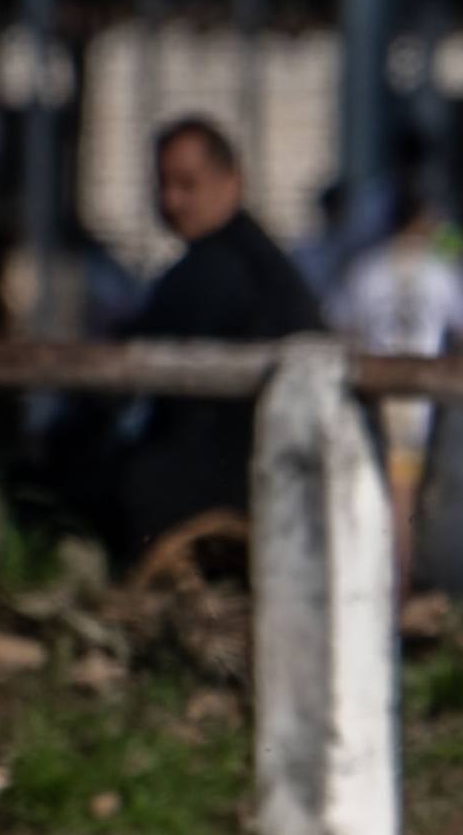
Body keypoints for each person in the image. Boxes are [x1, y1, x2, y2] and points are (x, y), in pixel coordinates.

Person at [109, 116, 324, 559]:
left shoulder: (215, 271)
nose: (172, 200)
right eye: (164, 184)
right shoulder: (250, 260)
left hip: (215, 504)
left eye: (188, 184)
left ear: (233, 181)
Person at [325, 185, 463, 588]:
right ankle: (398, 590)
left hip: (378, 396)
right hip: (424, 397)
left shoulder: (367, 268)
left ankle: (386, 585)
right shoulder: (444, 269)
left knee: (385, 496)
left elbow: (338, 324)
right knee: (404, 503)